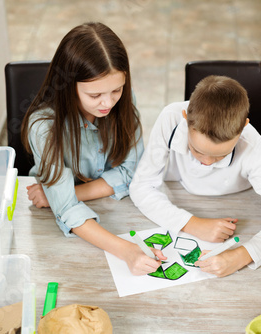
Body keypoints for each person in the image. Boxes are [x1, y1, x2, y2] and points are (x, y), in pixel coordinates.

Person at [20, 22, 166, 275]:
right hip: (55, 228)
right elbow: (66, 211)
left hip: (117, 208)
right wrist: (127, 251)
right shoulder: (44, 126)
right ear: (68, 87)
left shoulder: (123, 102)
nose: (108, 102)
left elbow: (132, 172)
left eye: (116, 90)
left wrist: (60, 195)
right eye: (95, 95)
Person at [129, 75, 261, 277]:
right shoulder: (170, 118)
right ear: (185, 118)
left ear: (243, 128)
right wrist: (193, 224)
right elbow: (141, 187)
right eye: (196, 150)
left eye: (220, 155)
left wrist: (240, 256)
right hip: (179, 191)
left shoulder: (253, 146)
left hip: (238, 199)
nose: (206, 162)